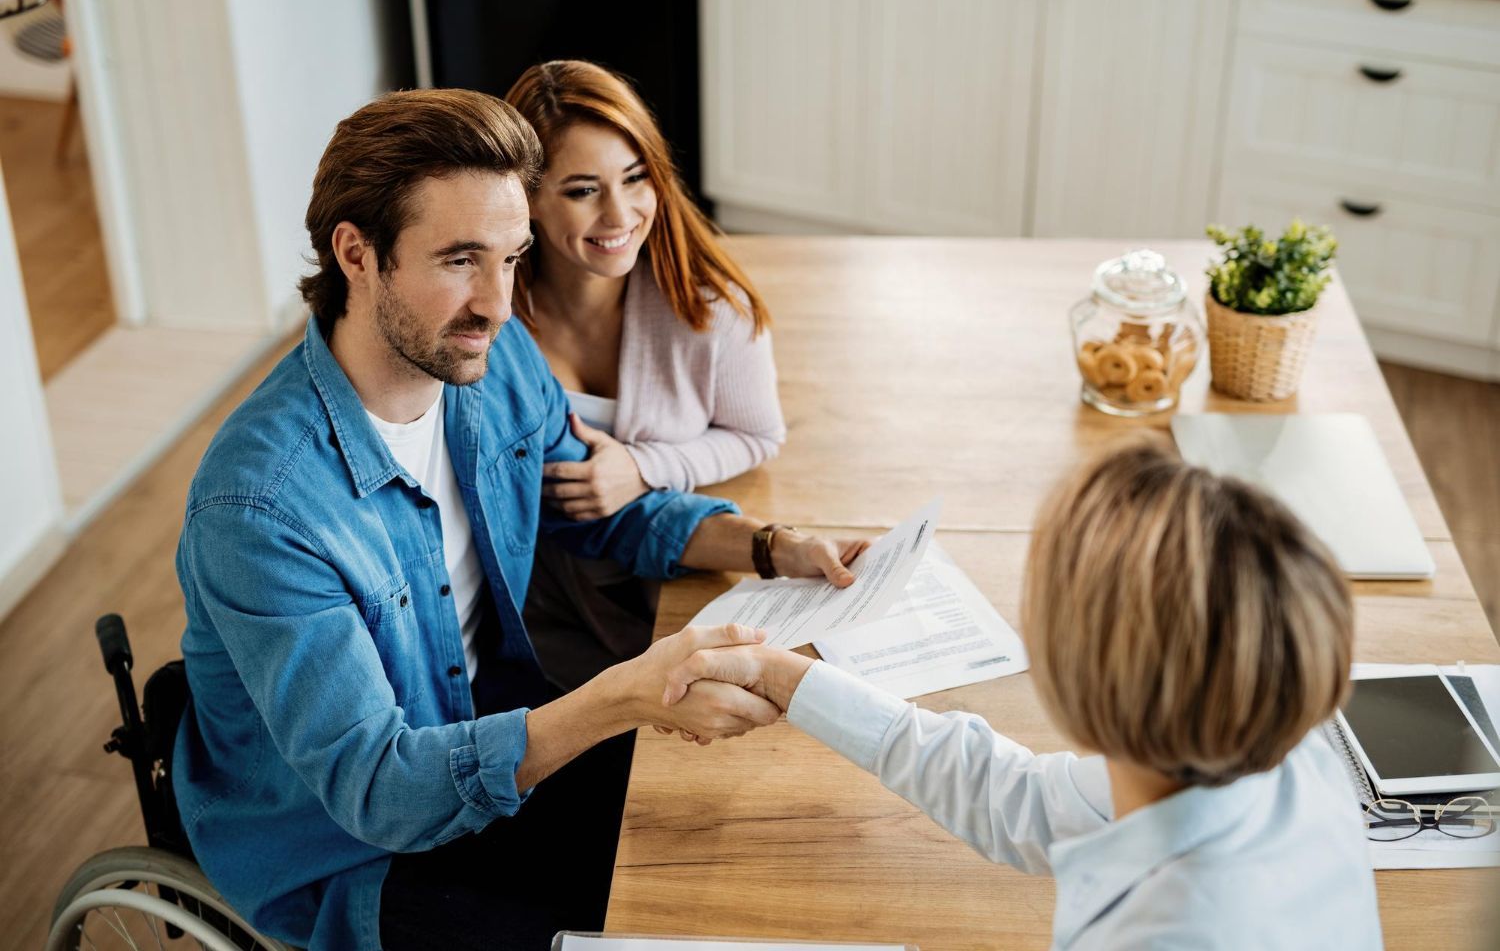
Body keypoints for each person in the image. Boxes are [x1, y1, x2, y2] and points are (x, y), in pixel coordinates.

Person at [172, 88, 867, 951]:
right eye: (461, 260)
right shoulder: (262, 510)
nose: (499, 303)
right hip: (354, 855)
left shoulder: (489, 367)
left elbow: (597, 509)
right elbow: (380, 790)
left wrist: (769, 547)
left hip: (498, 740)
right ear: (357, 253)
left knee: (745, 856)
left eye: (511, 258)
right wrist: (621, 696)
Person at [664, 436, 1381, 949]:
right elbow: (1024, 800)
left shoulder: (1180, 928)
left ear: (1087, 674)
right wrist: (791, 679)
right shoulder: (1265, 747)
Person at [501, 60, 786, 689]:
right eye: (582, 190)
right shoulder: (490, 319)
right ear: (526, 200)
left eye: (635, 178)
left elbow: (758, 436)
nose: (620, 213)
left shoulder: (710, 306)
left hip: (666, 563)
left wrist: (639, 467)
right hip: (534, 595)